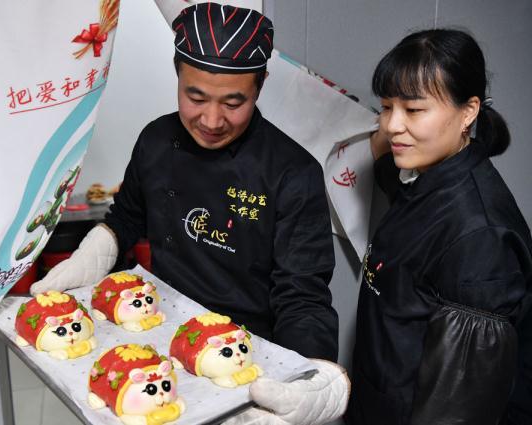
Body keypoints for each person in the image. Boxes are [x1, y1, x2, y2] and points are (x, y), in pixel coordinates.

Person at [31, 3, 349, 424]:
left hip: (246, 359)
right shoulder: (156, 141)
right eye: (195, 97)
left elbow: (303, 295)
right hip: (161, 335)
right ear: (178, 74)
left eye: (233, 102)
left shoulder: (292, 172)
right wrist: (92, 256)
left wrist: (310, 375)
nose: (211, 120)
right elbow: (126, 218)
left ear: (260, 86)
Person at [346, 29, 532, 425]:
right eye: (386, 107)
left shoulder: (481, 238)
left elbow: (458, 408)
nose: (392, 126)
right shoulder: (425, 173)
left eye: (414, 110)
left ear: (468, 112)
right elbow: (389, 169)